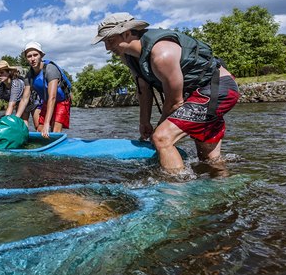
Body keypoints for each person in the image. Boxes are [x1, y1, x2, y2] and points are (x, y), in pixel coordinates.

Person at [92, 12, 239, 175]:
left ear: (126, 33)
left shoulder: (162, 55)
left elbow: (175, 102)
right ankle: (223, 187)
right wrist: (144, 122)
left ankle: (175, 194)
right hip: (197, 94)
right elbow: (144, 88)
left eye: (110, 40)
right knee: (209, 160)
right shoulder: (129, 57)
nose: (107, 47)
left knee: (162, 138)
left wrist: (158, 129)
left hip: (217, 89)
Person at [16, 42, 71, 138]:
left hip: (61, 101)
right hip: (47, 102)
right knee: (40, 130)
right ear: (26, 58)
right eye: (29, 56)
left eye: (35, 55)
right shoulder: (29, 75)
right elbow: (25, 99)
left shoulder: (50, 69)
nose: (32, 59)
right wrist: (15, 119)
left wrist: (47, 124)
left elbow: (52, 97)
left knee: (54, 132)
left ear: (41, 55)